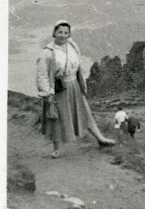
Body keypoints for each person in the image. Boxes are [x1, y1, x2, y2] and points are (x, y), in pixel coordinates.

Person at [36, 20, 115, 158]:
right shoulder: (48, 53)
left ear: (69, 34)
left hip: (74, 85)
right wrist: (47, 94)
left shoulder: (72, 46)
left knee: (85, 112)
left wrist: (81, 83)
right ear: (54, 33)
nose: (63, 35)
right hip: (58, 88)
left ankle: (100, 139)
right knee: (56, 117)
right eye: (60, 32)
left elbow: (78, 65)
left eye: (66, 32)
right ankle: (56, 149)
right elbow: (41, 75)